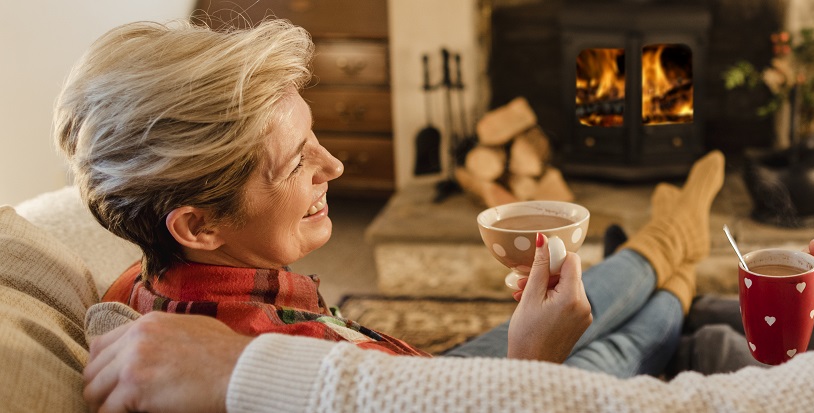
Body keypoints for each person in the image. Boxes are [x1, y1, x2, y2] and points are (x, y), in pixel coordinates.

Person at [84, 3, 814, 412]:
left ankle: (664, 241)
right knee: (676, 324)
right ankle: (669, 243)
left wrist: (245, 372)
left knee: (657, 335)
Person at [58, 18, 727, 386]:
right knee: (611, 353)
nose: (336, 165)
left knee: (587, 305)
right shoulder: (241, 366)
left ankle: (673, 241)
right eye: (299, 161)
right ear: (198, 223)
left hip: (420, 375)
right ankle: (679, 250)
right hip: (466, 398)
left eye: (315, 136)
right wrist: (531, 366)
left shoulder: (156, 283)